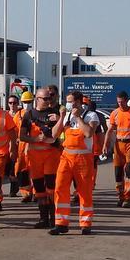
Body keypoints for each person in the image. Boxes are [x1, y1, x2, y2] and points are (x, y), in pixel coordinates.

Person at [51, 89, 99, 235]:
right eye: (67, 101)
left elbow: (89, 133)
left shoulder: (91, 115)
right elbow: (54, 134)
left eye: (70, 101)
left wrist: (78, 118)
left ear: (78, 102)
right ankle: (61, 223)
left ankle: (85, 224)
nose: (68, 103)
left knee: (84, 191)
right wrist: (62, 117)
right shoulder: (66, 117)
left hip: (83, 159)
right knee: (60, 189)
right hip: (66, 157)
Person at [21, 90, 62, 229]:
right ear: (37, 99)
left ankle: (53, 218)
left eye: (49, 98)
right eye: (45, 98)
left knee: (51, 188)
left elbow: (62, 132)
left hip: (51, 155)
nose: (48, 100)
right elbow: (22, 136)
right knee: (39, 189)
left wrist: (59, 119)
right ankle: (43, 218)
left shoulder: (54, 112)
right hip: (35, 157)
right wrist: (34, 139)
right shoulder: (29, 115)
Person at [104, 90, 130, 207]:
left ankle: (128, 197)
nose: (120, 104)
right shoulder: (114, 113)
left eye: (122, 102)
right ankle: (120, 195)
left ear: (126, 101)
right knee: (118, 172)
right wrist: (105, 145)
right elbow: (110, 130)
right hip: (119, 145)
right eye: (118, 102)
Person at [13, 91, 34, 202]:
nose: (27, 104)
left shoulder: (36, 114)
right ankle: (26, 193)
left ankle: (36, 192)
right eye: (25, 102)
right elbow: (14, 130)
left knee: (35, 170)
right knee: (21, 171)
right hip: (21, 145)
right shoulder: (18, 115)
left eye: (29, 102)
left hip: (33, 145)